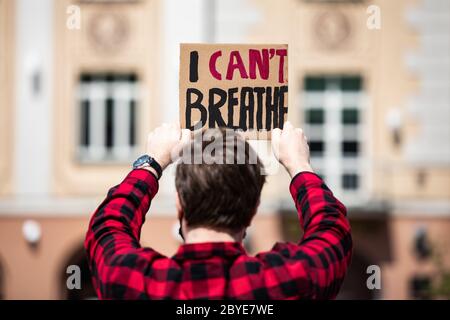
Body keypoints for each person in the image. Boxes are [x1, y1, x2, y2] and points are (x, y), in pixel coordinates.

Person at [85, 122, 352, 299]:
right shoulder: (288, 280)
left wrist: (152, 163)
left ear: (180, 203)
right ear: (253, 210)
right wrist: (298, 164)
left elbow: (107, 226)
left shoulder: (138, 282)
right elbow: (332, 232)